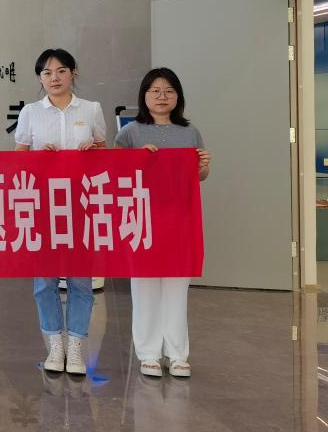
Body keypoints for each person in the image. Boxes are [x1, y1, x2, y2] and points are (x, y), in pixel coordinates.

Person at [13, 48, 106, 375]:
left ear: (73, 73)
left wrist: (93, 151)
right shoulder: (30, 112)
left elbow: (105, 156)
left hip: (82, 204)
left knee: (81, 280)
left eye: (61, 71)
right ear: (40, 78)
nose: (54, 78)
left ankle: (76, 346)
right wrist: (38, 156)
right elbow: (19, 158)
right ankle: (54, 345)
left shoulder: (91, 109)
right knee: (45, 281)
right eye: (47, 73)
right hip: (43, 205)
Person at [115, 67, 210, 378]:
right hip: (143, 219)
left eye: (169, 91)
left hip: (180, 219)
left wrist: (203, 166)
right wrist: (136, 158)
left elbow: (198, 177)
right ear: (144, 95)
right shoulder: (130, 133)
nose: (162, 96)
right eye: (155, 90)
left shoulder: (190, 132)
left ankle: (178, 354)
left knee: (177, 288)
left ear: (178, 97)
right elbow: (115, 173)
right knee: (144, 288)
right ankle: (148, 353)